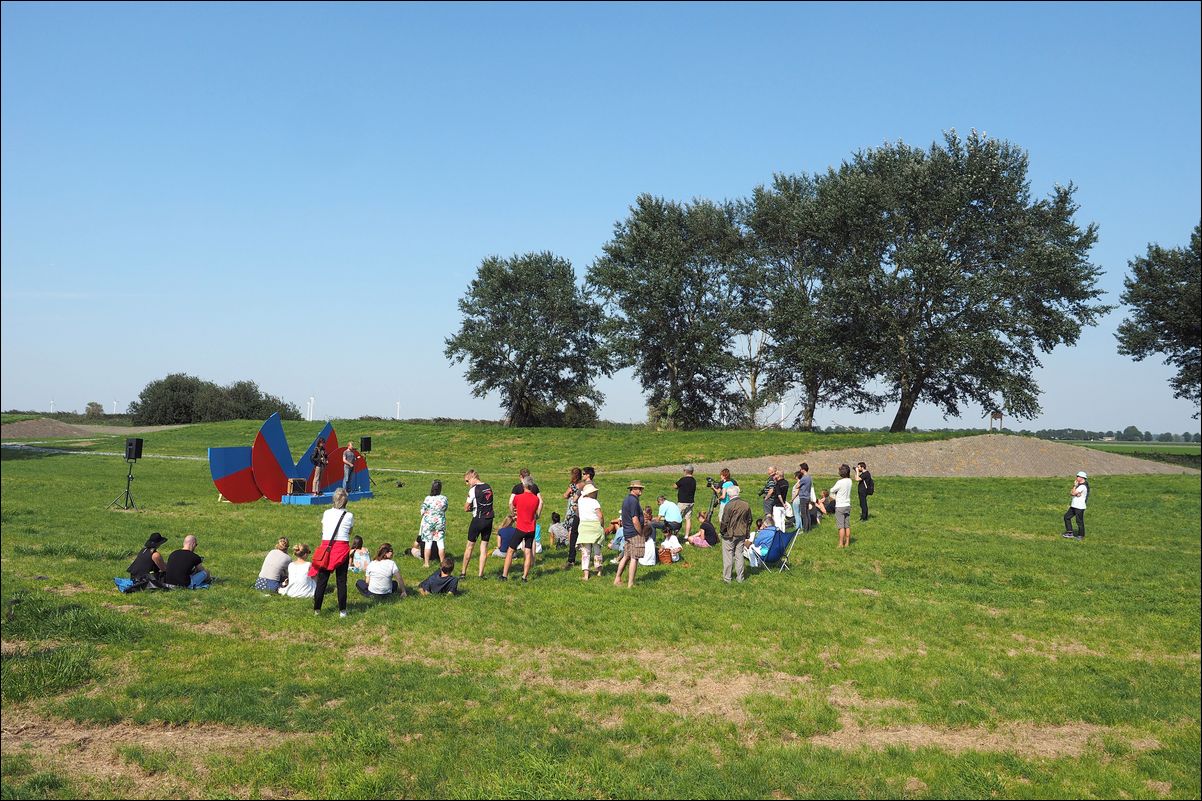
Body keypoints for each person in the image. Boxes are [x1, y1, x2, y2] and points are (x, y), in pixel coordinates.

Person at [312, 488, 354, 617]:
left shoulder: (326, 513)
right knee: (341, 581)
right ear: (345, 501)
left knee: (322, 580)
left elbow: (324, 530)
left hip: (327, 547)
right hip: (341, 548)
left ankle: (317, 609)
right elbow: (350, 531)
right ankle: (342, 611)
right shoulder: (349, 515)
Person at [460, 470, 495, 579]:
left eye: (467, 481)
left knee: (470, 546)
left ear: (472, 477)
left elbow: (466, 507)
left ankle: (463, 573)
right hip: (489, 520)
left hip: (478, 520)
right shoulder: (488, 486)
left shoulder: (473, 490)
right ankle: (480, 574)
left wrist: (469, 509)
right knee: (484, 547)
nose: (467, 484)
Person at [503, 483, 540, 582]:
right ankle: (524, 577)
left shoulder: (518, 497)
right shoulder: (536, 499)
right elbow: (535, 512)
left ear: (524, 487)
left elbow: (512, 505)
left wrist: (513, 514)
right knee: (528, 552)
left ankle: (504, 575)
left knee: (510, 551)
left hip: (520, 528)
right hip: (531, 529)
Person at [613, 480, 647, 589]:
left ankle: (617, 578)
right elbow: (635, 519)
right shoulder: (633, 501)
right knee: (634, 557)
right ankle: (630, 584)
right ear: (632, 489)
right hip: (634, 532)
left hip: (627, 532)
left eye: (641, 488)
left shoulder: (627, 499)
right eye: (639, 488)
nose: (641, 490)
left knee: (626, 556)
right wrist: (640, 532)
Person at [719, 490, 753, 584]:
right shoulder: (746, 504)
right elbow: (749, 519)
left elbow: (724, 521)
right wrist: (746, 531)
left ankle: (727, 579)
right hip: (741, 533)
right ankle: (740, 578)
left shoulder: (729, 505)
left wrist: (722, 531)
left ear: (729, 495)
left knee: (728, 556)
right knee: (739, 555)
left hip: (730, 534)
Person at [576, 482, 606, 580]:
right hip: (595, 526)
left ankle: (586, 574)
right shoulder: (594, 502)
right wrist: (602, 525)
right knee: (597, 550)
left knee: (585, 552)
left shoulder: (581, 501)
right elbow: (600, 516)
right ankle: (599, 571)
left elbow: (578, 497)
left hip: (584, 526)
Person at [419, 480, 449, 568]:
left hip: (428, 523)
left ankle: (426, 563)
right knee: (440, 543)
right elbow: (445, 508)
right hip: (440, 523)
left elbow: (422, 511)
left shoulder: (428, 498)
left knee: (428, 543)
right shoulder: (444, 498)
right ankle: (443, 564)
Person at [831, 464, 854, 548]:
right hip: (847, 505)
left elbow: (832, 490)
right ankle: (847, 543)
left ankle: (841, 544)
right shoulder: (850, 481)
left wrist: (835, 496)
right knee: (847, 525)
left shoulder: (840, 482)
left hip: (840, 505)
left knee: (841, 526)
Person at [563, 467, 583, 566]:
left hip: (572, 507)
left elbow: (565, 495)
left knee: (571, 529)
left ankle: (572, 545)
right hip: (581, 507)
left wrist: (568, 495)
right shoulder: (583, 485)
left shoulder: (573, 485)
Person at [1062, 471, 1089, 540]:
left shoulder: (1082, 486)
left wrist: (1074, 486)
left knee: (1079, 521)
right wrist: (1075, 492)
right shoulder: (1079, 486)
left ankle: (1081, 535)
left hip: (1079, 507)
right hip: (1074, 506)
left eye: (1078, 476)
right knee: (1066, 517)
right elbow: (1072, 493)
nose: (1076, 477)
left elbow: (1073, 493)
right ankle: (1070, 533)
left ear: (1082, 478)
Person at [675, 465, 697, 541]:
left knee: (677, 519)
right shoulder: (694, 480)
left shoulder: (683, 480)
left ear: (685, 471)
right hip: (690, 502)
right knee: (688, 519)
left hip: (682, 502)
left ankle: (675, 535)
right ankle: (686, 536)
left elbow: (675, 486)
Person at [793, 465, 813, 533]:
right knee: (807, 513)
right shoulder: (809, 477)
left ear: (803, 469)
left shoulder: (804, 478)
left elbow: (797, 486)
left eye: (801, 469)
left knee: (804, 515)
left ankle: (805, 530)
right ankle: (809, 528)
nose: (800, 470)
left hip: (803, 497)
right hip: (807, 496)